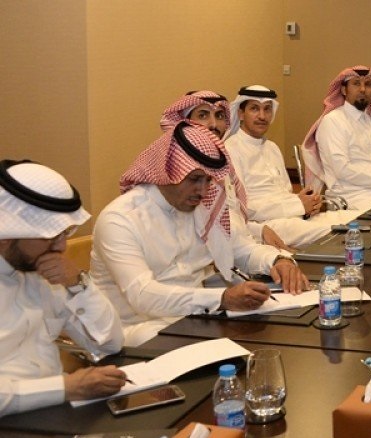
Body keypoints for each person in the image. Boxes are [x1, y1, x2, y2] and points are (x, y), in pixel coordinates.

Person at [91, 121, 308, 347]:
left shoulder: (202, 204)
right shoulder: (120, 219)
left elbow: (239, 249)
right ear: (167, 172)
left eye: (208, 180)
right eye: (194, 179)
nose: (203, 191)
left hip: (197, 317)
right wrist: (222, 299)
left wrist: (278, 260)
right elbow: (143, 295)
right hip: (138, 329)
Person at [0, 159, 125, 417]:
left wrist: (77, 283)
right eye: (50, 236)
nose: (61, 247)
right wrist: (66, 388)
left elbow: (110, 343)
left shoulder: (43, 272)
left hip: (57, 412)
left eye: (64, 234)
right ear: (7, 235)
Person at [159, 90, 291, 251]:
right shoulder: (173, 171)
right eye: (203, 115)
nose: (213, 124)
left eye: (219, 116)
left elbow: (229, 218)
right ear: (184, 123)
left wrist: (259, 232)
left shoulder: (221, 165)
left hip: (231, 249)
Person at [224, 85, 332, 248]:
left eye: (267, 109)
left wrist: (307, 204)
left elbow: (284, 193)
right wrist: (298, 205)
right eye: (254, 108)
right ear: (240, 113)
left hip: (293, 218)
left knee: (350, 220)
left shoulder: (272, 147)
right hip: (265, 225)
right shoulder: (231, 148)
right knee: (336, 233)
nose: (262, 116)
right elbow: (243, 207)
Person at [302, 65, 371, 212]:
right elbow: (342, 169)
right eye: (356, 84)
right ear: (344, 90)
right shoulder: (333, 121)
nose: (363, 89)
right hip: (351, 196)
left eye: (368, 84)